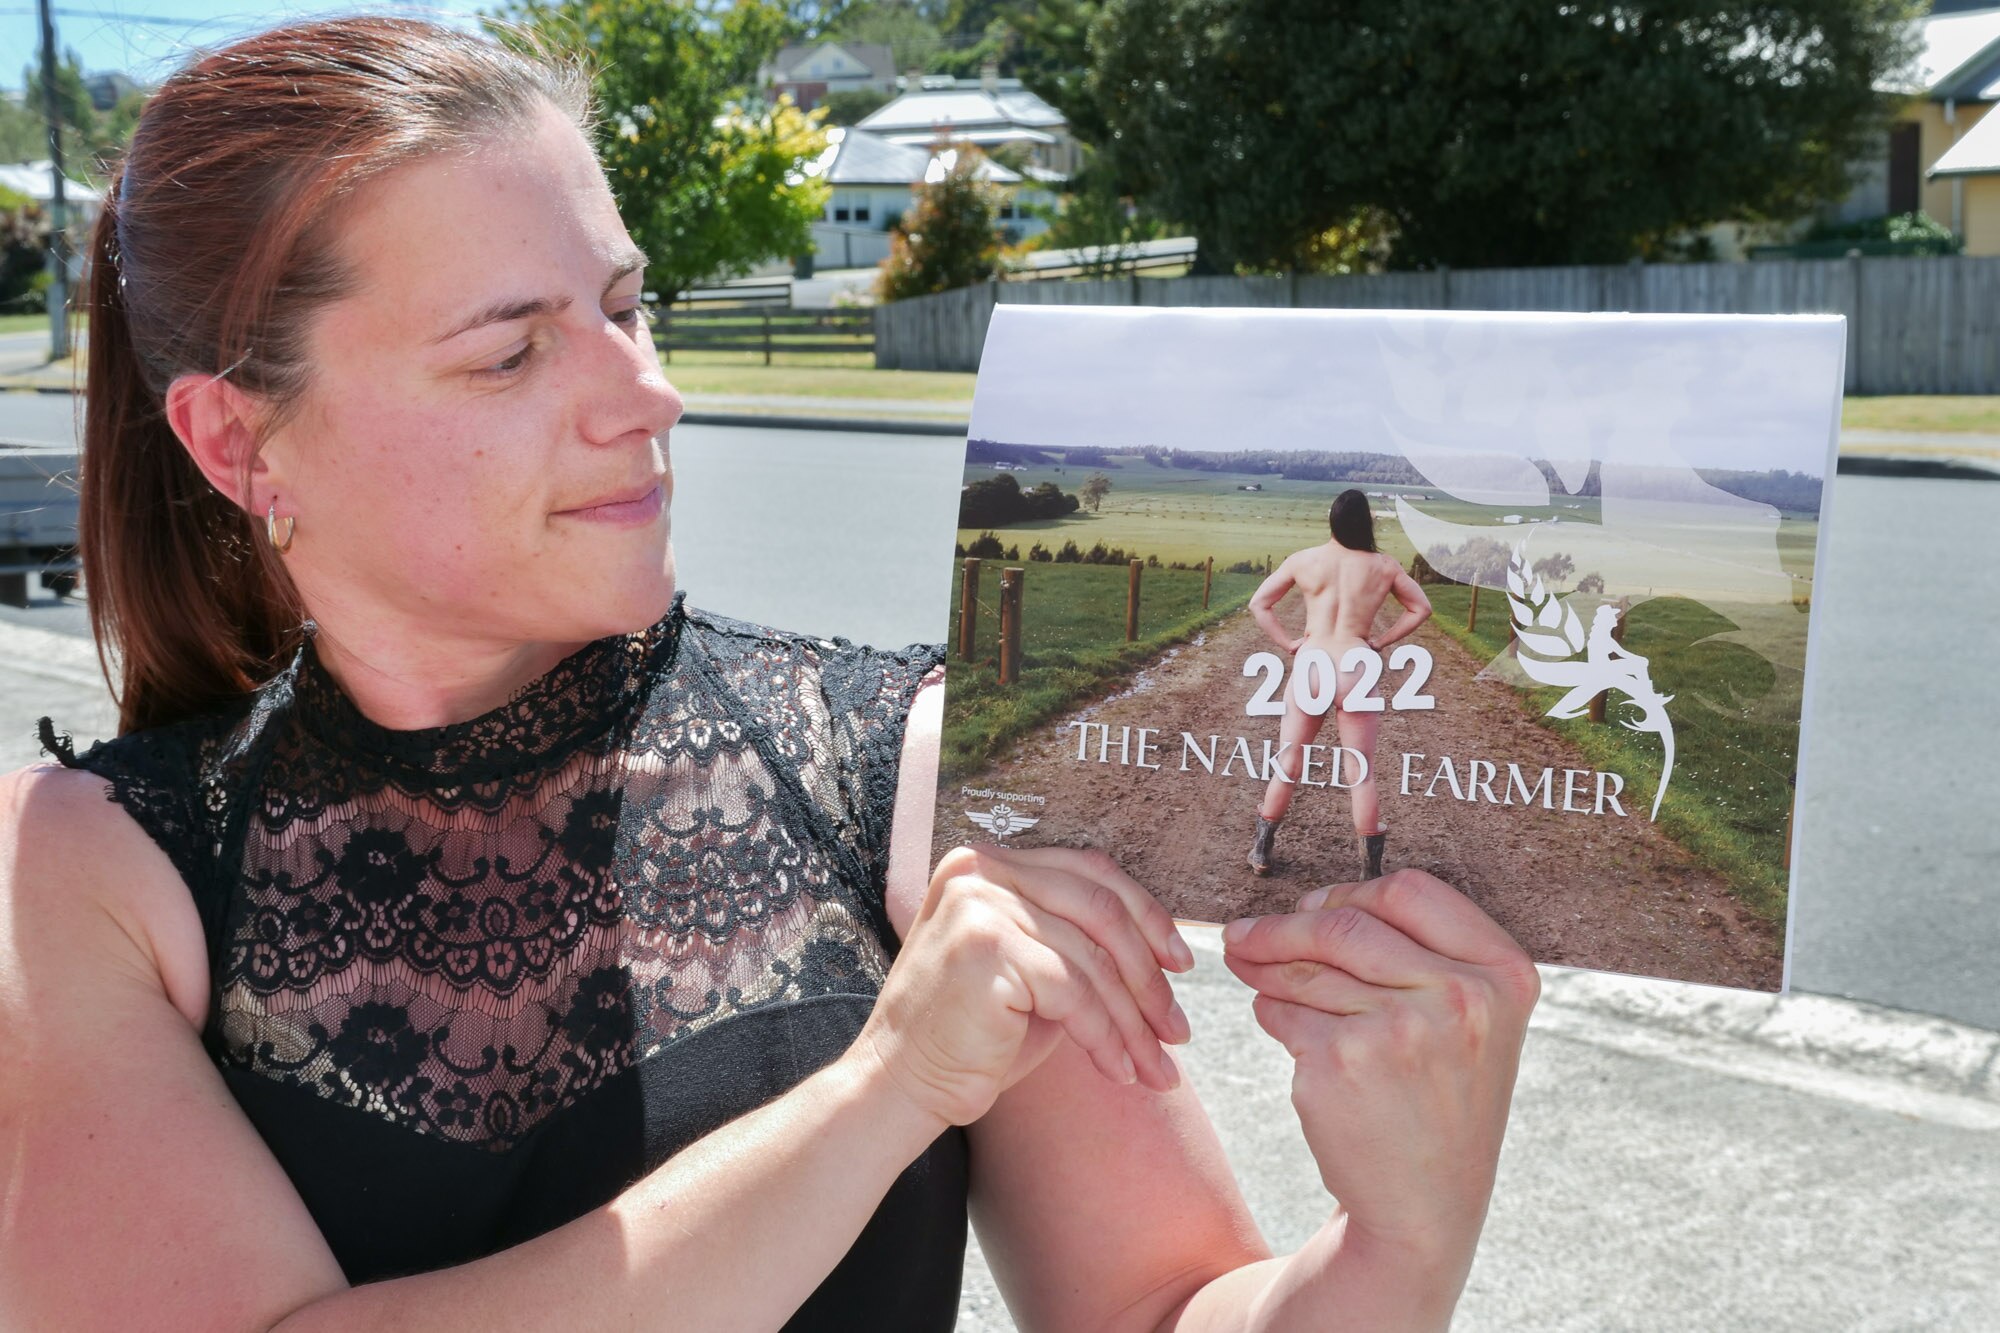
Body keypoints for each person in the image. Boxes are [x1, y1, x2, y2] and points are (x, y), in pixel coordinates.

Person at [0, 20, 1536, 1330]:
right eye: (510, 353)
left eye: (621, 304)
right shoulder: (90, 874)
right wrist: (883, 1094)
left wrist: (1400, 1236)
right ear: (235, 438)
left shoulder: (914, 769)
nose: (648, 390)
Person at [1245, 490, 1434, 880]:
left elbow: (1259, 604)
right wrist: (1380, 642)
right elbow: (1421, 608)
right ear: (1366, 523)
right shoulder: (1384, 566)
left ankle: (1262, 850)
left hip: (1312, 664)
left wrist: (1288, 643)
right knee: (1359, 770)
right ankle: (1370, 870)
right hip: (1356, 667)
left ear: (1331, 521)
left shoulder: (1304, 560)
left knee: (1289, 761)